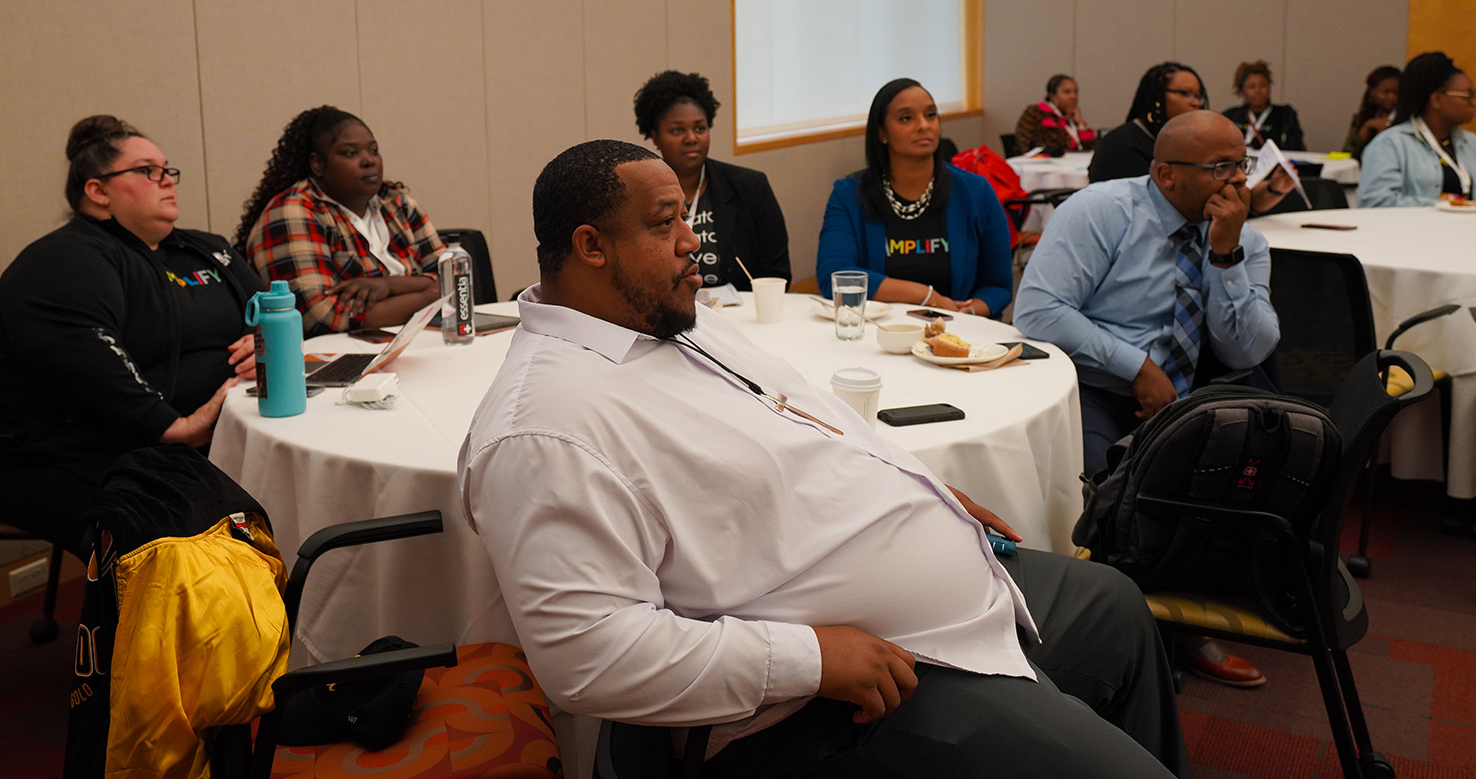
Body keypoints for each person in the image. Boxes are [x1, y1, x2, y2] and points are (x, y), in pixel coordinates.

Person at [458, 139, 1190, 779]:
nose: (692, 242)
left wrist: (927, 490)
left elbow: (813, 414)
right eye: (664, 223)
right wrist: (812, 658)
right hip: (821, 700)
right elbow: (588, 655)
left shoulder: (672, 319)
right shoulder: (541, 426)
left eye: (686, 216)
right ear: (591, 246)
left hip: (925, 605)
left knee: (1118, 609)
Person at [1013, 111, 1279, 690]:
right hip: (1097, 386)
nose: (1238, 181)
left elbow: (1247, 351)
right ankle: (1107, 638)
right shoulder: (1101, 212)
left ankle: (1180, 624)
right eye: (1220, 167)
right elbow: (1036, 313)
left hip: (1196, 394)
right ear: (1165, 175)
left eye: (1243, 163)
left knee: (1225, 480)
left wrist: (1226, 255)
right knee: (1101, 496)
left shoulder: (1243, 239)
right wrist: (1135, 367)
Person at [0, 116, 263, 553]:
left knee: (287, 487)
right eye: (148, 171)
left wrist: (265, 343)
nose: (167, 181)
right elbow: (97, 372)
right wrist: (187, 426)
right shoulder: (63, 262)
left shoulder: (203, 247)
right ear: (98, 191)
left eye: (167, 170)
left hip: (206, 438)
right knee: (209, 536)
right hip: (67, 455)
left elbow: (273, 310)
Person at [238, 106, 444, 336]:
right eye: (350, 153)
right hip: (334, 359)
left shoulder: (396, 202)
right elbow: (321, 318)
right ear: (318, 164)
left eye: (373, 150)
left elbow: (455, 277)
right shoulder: (293, 213)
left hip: (418, 341)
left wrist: (390, 285)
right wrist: (430, 295)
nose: (369, 161)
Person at [816, 78, 1011, 317]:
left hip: (958, 336)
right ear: (882, 133)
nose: (923, 125)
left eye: (930, 115)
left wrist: (966, 314)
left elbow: (998, 286)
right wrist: (926, 296)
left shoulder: (975, 191)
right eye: (906, 118)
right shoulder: (848, 195)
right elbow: (833, 276)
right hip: (877, 333)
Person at [632, 69, 790, 290]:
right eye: (677, 130)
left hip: (740, 315)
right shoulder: (640, 194)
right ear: (655, 137)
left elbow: (776, 273)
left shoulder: (750, 186)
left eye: (700, 128)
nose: (691, 138)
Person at [1093, 62, 1295, 214]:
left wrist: (1273, 189)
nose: (1195, 103)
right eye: (1186, 94)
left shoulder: (1190, 145)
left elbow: (1225, 200)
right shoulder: (1121, 146)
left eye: (1198, 96)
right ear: (1156, 97)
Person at [1359, 52, 1476, 207]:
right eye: (1467, 96)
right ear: (1436, 100)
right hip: (1412, 230)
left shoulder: (1471, 142)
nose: (1473, 102)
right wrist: (1445, 206)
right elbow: (1376, 202)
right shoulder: (1390, 144)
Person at [1221, 60, 1305, 151]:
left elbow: (1294, 146)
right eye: (1251, 87)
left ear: (1269, 87)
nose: (1258, 91)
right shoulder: (1231, 116)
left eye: (1263, 85)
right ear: (1242, 90)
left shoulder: (1284, 114)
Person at [1013, 73, 1097, 155]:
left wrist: (1080, 124)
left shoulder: (1073, 118)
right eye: (1067, 92)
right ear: (1053, 95)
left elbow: (1090, 149)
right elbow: (1024, 144)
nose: (1073, 96)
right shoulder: (1035, 112)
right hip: (1043, 164)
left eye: (1075, 92)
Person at [1341, 65, 1400, 159]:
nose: (1391, 97)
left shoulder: (1406, 119)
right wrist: (1365, 130)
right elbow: (1346, 154)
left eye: (1396, 93)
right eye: (1386, 92)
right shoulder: (1360, 118)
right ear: (1372, 92)